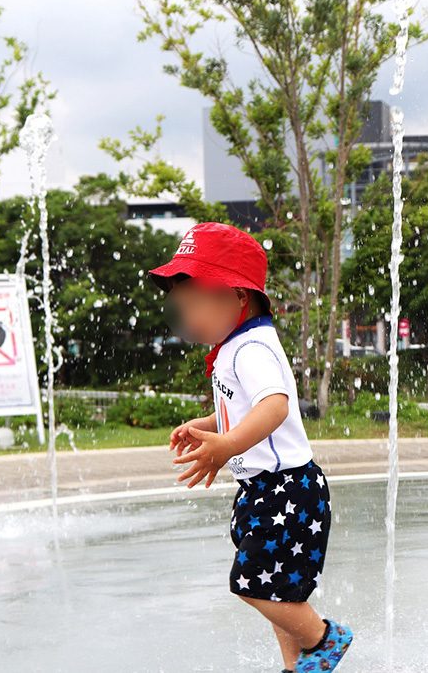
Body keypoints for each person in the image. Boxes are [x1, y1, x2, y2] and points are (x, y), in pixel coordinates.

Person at [147, 222, 354, 673]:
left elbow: (275, 406)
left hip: (287, 490)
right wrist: (208, 425)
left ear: (238, 296)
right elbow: (244, 409)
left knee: (252, 585)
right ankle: (296, 666)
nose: (186, 319)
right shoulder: (235, 345)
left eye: (193, 305)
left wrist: (225, 445)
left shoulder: (251, 348)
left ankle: (325, 639)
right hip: (266, 489)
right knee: (281, 591)